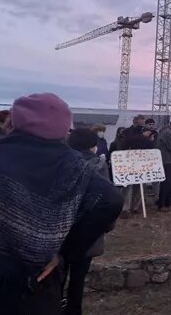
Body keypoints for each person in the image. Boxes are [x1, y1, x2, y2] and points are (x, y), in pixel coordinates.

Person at [0, 93, 122, 314]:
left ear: (15, 120)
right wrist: (66, 251)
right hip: (37, 279)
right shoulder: (74, 164)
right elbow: (111, 200)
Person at [64, 128, 113, 315]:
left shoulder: (60, 163)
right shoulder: (99, 166)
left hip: (60, 228)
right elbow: (109, 199)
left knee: (58, 274)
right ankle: (74, 309)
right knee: (78, 275)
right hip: (89, 227)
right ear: (92, 146)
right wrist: (106, 225)